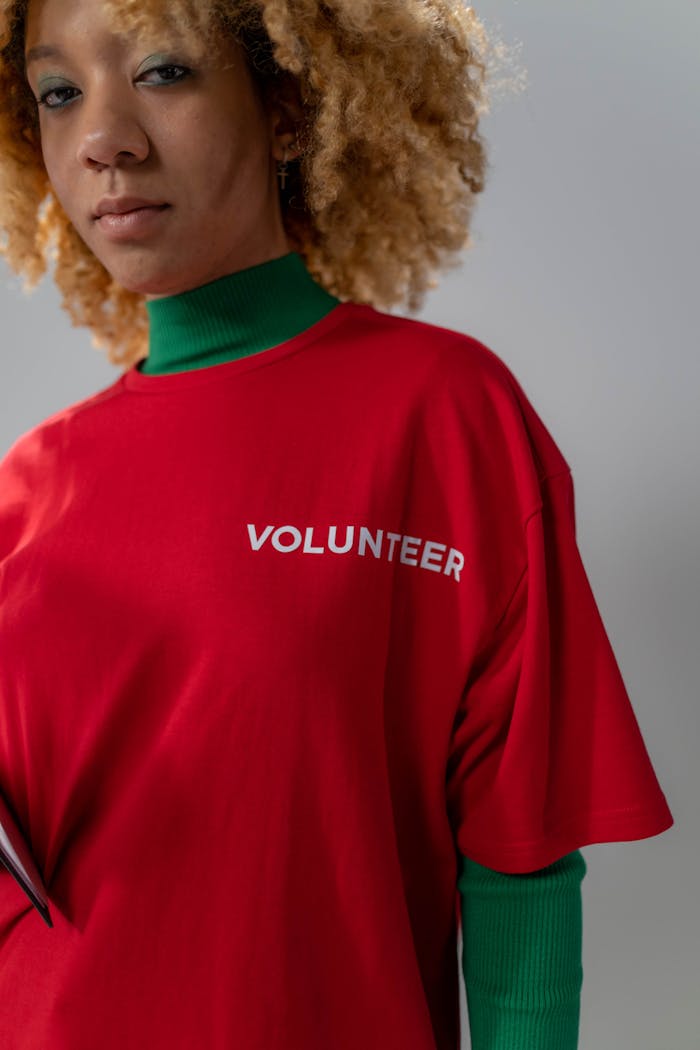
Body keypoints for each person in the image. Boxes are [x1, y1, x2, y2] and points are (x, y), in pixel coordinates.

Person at [0, 0, 673, 1047]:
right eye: (58, 93)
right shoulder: (26, 489)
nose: (104, 140)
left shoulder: (443, 416)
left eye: (164, 72)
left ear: (287, 109)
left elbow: (522, 862)